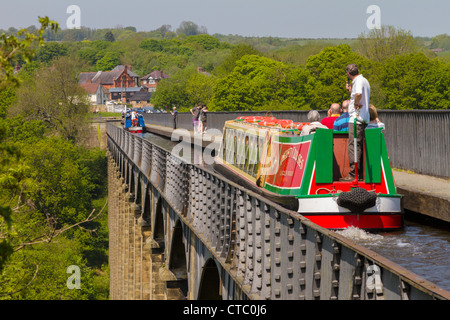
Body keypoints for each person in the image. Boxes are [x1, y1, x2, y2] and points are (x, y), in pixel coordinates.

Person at [340, 63, 371, 181]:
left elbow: (358, 94)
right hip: (364, 117)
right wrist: (351, 92)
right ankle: (360, 173)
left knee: (353, 145)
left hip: (356, 118)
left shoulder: (357, 81)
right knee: (359, 145)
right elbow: (357, 93)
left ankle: (353, 174)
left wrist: (355, 103)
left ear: (348, 74)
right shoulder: (364, 80)